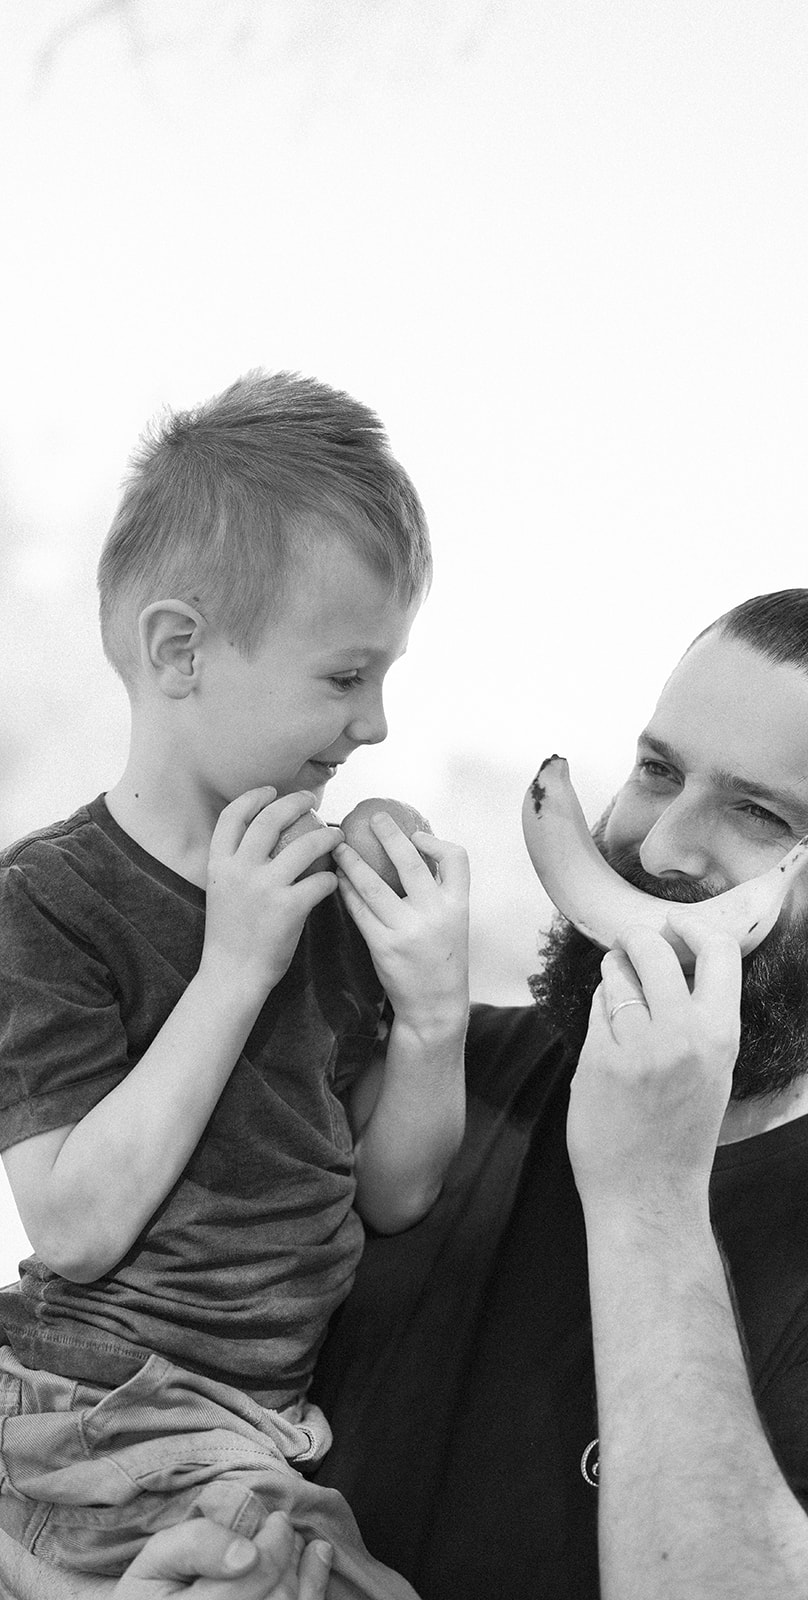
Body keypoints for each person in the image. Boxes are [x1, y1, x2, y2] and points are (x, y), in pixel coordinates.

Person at [4, 571, 808, 1600]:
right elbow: (110, 1354)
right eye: (656, 769)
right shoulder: (435, 1075)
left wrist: (646, 1196)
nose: (663, 843)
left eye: (756, 814)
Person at [0, 372, 471, 1600]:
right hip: (97, 1396)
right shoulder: (48, 899)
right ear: (179, 652)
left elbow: (394, 1191)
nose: (373, 722)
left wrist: (428, 1010)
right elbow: (73, 1222)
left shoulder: (326, 896)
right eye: (341, 675)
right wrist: (233, 965)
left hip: (249, 1421)